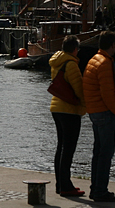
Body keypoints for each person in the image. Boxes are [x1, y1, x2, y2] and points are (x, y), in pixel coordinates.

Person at [83, 31, 115, 202]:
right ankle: (100, 191)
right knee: (106, 153)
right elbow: (108, 91)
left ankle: (95, 188)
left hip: (94, 111)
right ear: (112, 45)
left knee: (98, 152)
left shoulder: (93, 59)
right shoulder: (105, 63)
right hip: (105, 112)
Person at [50, 35, 86, 198]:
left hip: (56, 107)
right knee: (68, 149)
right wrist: (85, 105)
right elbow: (78, 88)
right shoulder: (71, 64)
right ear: (75, 49)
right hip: (69, 109)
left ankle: (60, 184)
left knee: (61, 147)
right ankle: (66, 186)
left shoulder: (56, 61)